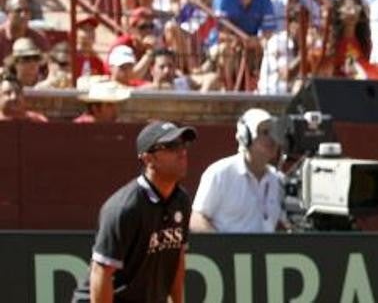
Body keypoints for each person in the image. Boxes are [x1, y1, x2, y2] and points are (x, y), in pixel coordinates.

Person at [72, 120, 196, 303]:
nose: (182, 152)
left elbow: (177, 259)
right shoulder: (124, 208)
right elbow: (101, 272)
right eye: (171, 146)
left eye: (183, 144)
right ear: (148, 159)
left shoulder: (181, 201)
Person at [190, 108, 284, 233]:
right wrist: (224, 248)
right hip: (227, 251)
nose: (272, 139)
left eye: (274, 132)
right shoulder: (220, 173)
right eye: (265, 132)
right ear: (246, 136)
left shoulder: (278, 179)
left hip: (265, 251)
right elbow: (196, 219)